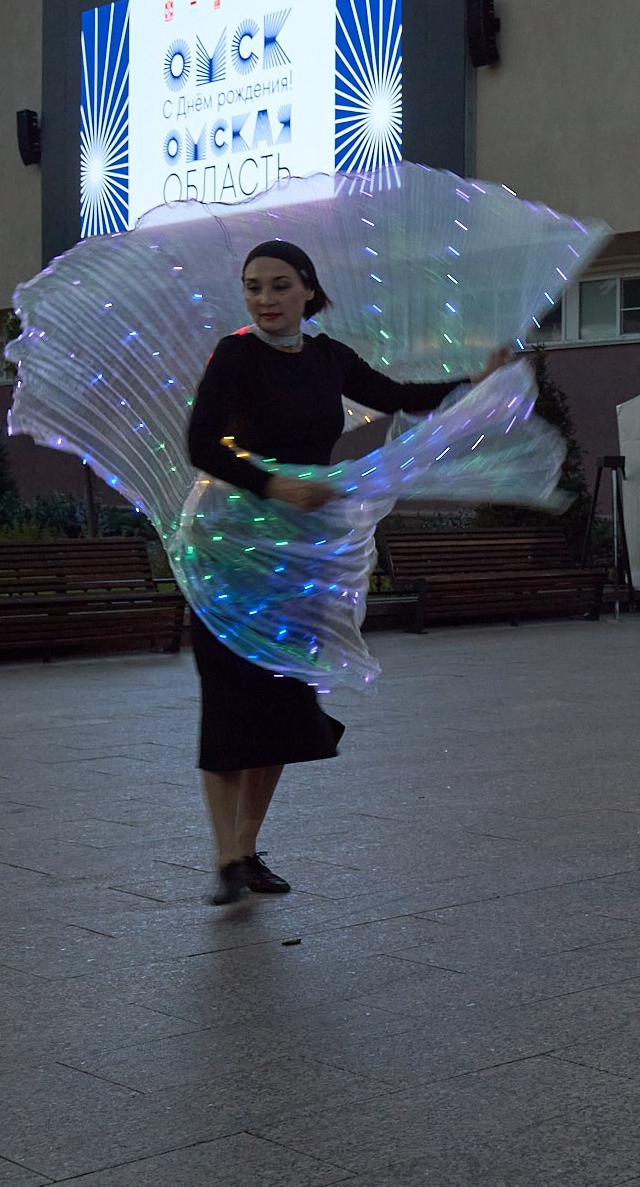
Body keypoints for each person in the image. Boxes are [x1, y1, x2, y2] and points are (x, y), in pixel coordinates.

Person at [184, 238, 509, 904]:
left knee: (284, 700)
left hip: (300, 550)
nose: (265, 298)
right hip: (231, 545)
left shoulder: (329, 357)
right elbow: (201, 443)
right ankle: (224, 857)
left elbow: (396, 395)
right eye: (253, 286)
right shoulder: (235, 354)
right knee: (229, 695)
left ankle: (245, 850)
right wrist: (271, 484)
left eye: (279, 285)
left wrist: (474, 384)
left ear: (308, 289)